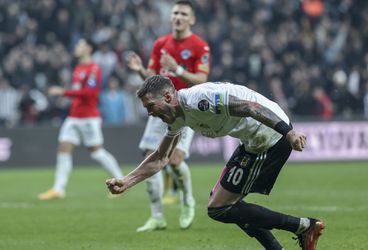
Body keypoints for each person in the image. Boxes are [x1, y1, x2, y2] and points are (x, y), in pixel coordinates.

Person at [106, 75, 325, 250]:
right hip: (253, 141)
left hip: (269, 136)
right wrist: (126, 182)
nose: (150, 114)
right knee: (225, 205)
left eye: (150, 106)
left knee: (220, 207)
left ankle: (303, 227)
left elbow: (251, 108)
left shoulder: (199, 101)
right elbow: (161, 157)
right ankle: (295, 234)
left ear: (167, 96)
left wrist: (289, 133)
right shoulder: (178, 116)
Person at [127, 0, 210, 232]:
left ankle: (187, 201)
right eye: (175, 13)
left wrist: (177, 69)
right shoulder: (161, 43)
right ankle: (157, 216)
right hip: (159, 110)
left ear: (191, 19)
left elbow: (202, 80)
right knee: (149, 157)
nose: (178, 17)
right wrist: (140, 71)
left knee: (175, 160)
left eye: (184, 13)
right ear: (170, 16)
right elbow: (152, 78)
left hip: (185, 109)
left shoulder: (200, 46)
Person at [38, 38, 124, 200]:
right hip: (73, 117)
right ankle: (58, 189)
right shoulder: (78, 68)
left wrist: (63, 92)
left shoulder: (93, 69)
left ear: (89, 49)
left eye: (80, 45)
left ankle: (122, 182)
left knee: (97, 152)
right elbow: (79, 92)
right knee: (63, 148)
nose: (77, 47)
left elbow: (89, 93)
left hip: (89, 118)